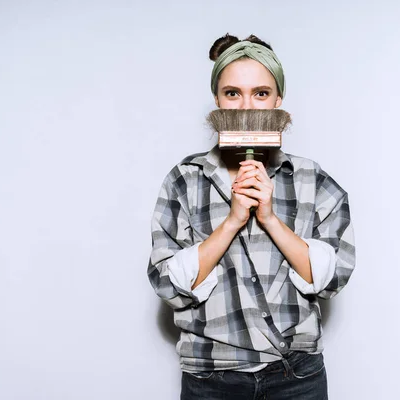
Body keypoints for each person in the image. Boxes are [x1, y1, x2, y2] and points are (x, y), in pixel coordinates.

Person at [147, 33, 356, 400]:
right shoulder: (185, 179)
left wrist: (271, 218)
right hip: (211, 379)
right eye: (232, 93)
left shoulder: (312, 179)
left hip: (298, 378)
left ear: (278, 100)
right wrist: (232, 221)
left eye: (260, 93)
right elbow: (167, 285)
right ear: (217, 100)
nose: (246, 106)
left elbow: (332, 279)